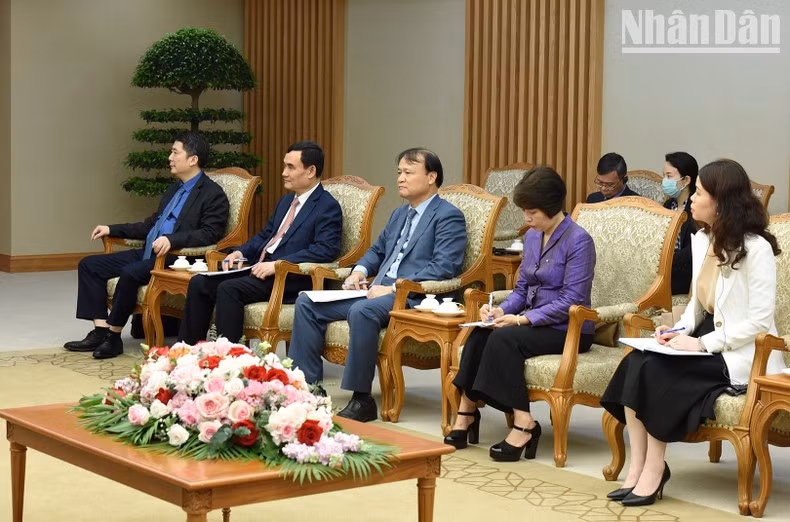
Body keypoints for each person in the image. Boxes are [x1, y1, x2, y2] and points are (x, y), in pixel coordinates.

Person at [600, 159, 786, 506]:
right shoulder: (703, 238)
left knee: (658, 372)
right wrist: (677, 330)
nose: (691, 200)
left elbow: (759, 322)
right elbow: (697, 306)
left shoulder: (757, 248)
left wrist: (700, 343)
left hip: (741, 352)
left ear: (721, 201)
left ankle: (655, 469)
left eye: (699, 193)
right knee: (636, 362)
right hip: (704, 336)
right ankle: (637, 467)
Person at [288, 148, 467, 421]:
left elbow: (444, 267)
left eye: (408, 173)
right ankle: (307, 390)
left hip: (413, 297)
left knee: (362, 311)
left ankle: (362, 400)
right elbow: (377, 251)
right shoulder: (399, 214)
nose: (400, 179)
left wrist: (395, 287)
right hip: (376, 291)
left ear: (431, 177)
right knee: (307, 302)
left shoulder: (448, 216)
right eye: (399, 173)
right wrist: (358, 272)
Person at [447, 166, 596, 462]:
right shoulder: (531, 237)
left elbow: (572, 300)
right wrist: (501, 310)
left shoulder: (579, 241)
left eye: (532, 212)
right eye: (524, 211)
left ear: (552, 208)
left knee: (504, 339)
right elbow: (521, 289)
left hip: (568, 329)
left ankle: (524, 423)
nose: (526, 219)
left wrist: (522, 319)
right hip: (531, 323)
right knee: (480, 334)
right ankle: (466, 413)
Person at [65, 131, 229, 359]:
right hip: (149, 252)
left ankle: (113, 337)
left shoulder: (213, 194)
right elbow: (151, 225)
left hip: (177, 258)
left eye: (175, 152)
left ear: (193, 159)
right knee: (90, 265)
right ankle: (100, 330)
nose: (169, 157)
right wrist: (112, 229)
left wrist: (173, 239)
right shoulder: (174, 189)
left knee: (130, 273)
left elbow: (211, 233)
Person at [178, 141, 342, 344]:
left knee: (229, 289)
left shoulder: (327, 206)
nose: (283, 172)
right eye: (285, 166)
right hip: (260, 269)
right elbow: (265, 236)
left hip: (290, 277)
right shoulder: (286, 201)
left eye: (290, 167)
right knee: (199, 282)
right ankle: (188, 351)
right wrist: (240, 252)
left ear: (311, 171)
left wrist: (277, 265)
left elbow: (325, 250)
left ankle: (230, 360)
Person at [662, 152, 699, 294]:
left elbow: (693, 250)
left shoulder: (696, 209)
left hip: (684, 274)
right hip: (663, 270)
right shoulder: (667, 205)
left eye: (669, 176)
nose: (664, 181)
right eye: (664, 175)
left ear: (686, 180)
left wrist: (665, 261)